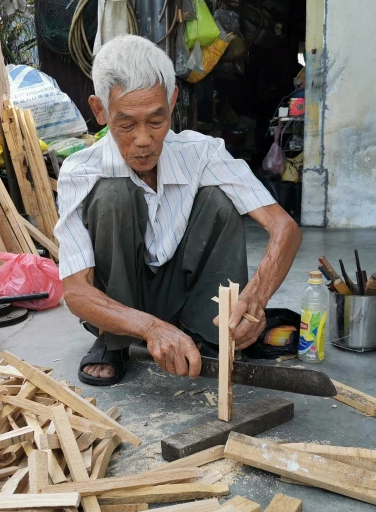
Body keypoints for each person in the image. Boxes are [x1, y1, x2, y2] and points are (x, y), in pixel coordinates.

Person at [54, 35, 302, 386]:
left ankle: (212, 331)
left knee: (218, 200)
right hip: (120, 301)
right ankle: (115, 341)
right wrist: (151, 328)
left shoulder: (201, 153)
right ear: (99, 110)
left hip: (180, 292)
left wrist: (257, 298)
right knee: (111, 196)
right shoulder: (81, 172)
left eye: (156, 121)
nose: (143, 139)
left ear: (172, 101)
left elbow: (284, 227)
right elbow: (76, 291)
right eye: (126, 124)